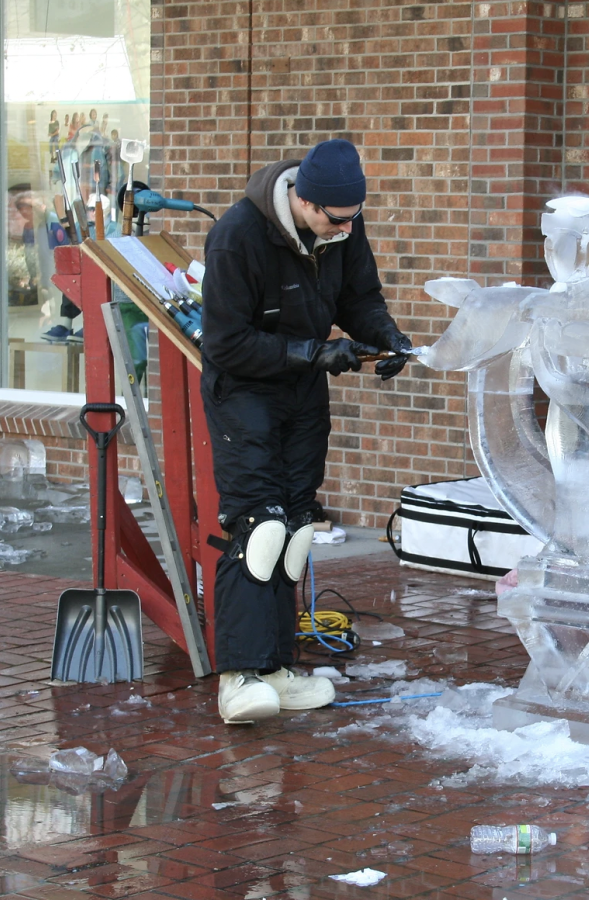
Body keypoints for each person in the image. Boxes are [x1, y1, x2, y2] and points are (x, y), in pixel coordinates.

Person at [200, 138, 411, 725]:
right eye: (335, 220)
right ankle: (238, 676)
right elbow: (224, 343)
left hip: (302, 390)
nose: (345, 230)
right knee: (258, 524)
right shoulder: (237, 236)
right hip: (243, 389)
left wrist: (385, 336)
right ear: (304, 200)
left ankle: (277, 667)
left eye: (352, 220)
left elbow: (359, 296)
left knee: (295, 526)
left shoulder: (344, 227)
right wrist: (313, 352)